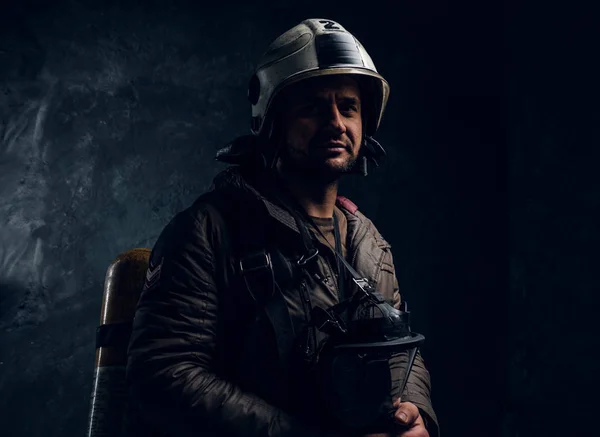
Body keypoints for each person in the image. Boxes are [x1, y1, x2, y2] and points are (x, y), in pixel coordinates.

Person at [126, 18, 439, 437]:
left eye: (348, 107)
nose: (335, 123)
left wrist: (416, 414)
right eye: (311, 107)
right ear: (273, 121)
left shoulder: (371, 244)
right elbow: (163, 374)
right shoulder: (208, 232)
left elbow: (400, 353)